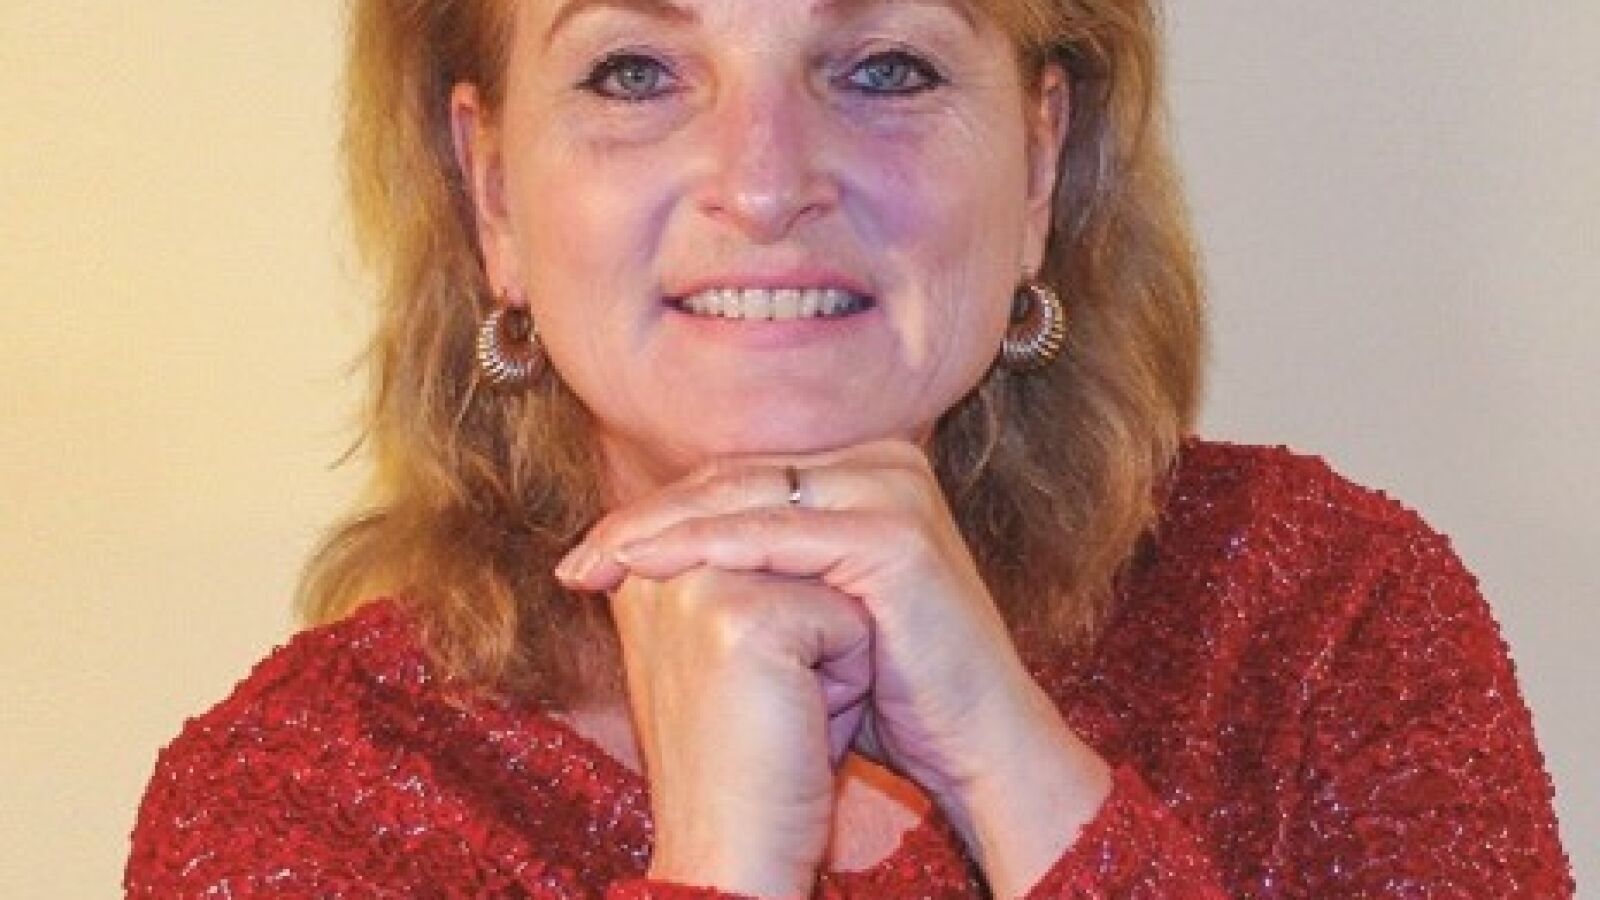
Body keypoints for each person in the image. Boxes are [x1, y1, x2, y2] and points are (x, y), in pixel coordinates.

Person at [126, 0, 1573, 895]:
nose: (764, 185)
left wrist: (1020, 771)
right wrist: (721, 867)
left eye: (883, 66)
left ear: (1040, 164)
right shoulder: (302, 800)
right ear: (492, 189)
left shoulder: (1314, 617)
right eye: (635, 72)